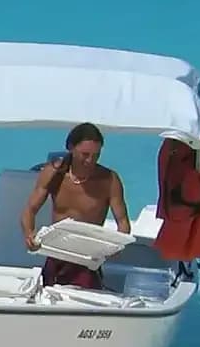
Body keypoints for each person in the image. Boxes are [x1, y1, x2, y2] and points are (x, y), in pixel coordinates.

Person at [21, 122, 130, 288]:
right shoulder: (54, 173)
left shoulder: (109, 179)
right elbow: (29, 210)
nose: (90, 160)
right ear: (71, 148)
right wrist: (29, 234)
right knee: (48, 296)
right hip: (57, 253)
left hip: (87, 258)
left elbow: (122, 221)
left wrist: (117, 246)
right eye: (85, 154)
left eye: (96, 155)